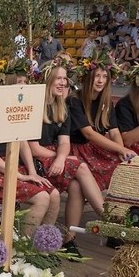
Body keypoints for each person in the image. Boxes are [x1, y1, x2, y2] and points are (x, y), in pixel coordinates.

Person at [28, 65, 105, 255]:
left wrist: (62, 158)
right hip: (35, 161)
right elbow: (34, 148)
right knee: (81, 166)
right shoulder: (35, 106)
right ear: (47, 81)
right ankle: (108, 217)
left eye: (65, 79)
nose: (63, 83)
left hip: (54, 159)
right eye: (58, 79)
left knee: (77, 186)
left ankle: (69, 240)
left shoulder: (61, 107)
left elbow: (64, 143)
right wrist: (59, 157)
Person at [0, 100, 60, 238]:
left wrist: (32, 172)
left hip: (15, 164)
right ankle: (24, 248)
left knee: (54, 195)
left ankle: (42, 246)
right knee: (42, 198)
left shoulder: (17, 109)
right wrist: (20, 176)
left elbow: (23, 143)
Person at [68, 60, 136, 191]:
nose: (101, 81)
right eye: (97, 76)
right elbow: (88, 133)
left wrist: (121, 151)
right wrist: (121, 149)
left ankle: (120, 202)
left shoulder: (106, 102)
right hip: (76, 148)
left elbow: (114, 132)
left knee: (122, 165)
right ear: (88, 77)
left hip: (93, 148)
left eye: (105, 77)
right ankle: (98, 199)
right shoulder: (74, 100)